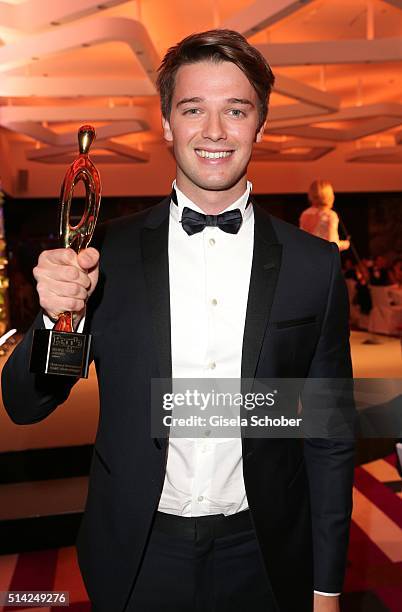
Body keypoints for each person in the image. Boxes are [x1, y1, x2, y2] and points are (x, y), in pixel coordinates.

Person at [1, 30, 355, 612]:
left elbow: (329, 434)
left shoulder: (313, 265)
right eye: (194, 109)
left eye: (235, 110)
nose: (214, 131)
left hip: (265, 554)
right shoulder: (104, 255)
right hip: (138, 556)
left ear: (259, 126)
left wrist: (326, 587)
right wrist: (53, 319)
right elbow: (26, 405)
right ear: (166, 123)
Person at [299, 180, 350, 251]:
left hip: (307, 255)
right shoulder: (330, 215)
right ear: (329, 196)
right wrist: (345, 244)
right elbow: (333, 244)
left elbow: (301, 240)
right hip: (322, 257)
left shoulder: (305, 214)